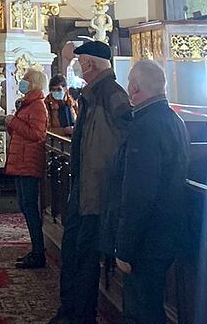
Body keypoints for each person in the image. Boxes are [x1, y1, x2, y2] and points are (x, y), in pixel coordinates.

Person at [50, 40, 131, 324]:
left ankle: (80, 316)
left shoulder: (112, 94)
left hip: (97, 195)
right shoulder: (93, 94)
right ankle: (70, 310)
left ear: (90, 64)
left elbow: (123, 141)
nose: (78, 68)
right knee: (73, 254)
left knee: (85, 260)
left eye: (81, 62)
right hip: (84, 191)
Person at [112, 60, 189, 324]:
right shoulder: (172, 119)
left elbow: (138, 193)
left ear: (133, 87)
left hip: (147, 238)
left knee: (142, 312)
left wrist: (124, 248)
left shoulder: (144, 127)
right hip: (167, 229)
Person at [6, 67, 50, 269]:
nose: (21, 81)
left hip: (28, 162)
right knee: (25, 206)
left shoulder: (37, 106)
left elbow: (37, 134)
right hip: (21, 161)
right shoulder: (28, 104)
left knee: (30, 207)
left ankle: (38, 252)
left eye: (25, 79)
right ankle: (35, 249)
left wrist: (13, 122)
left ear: (32, 83)